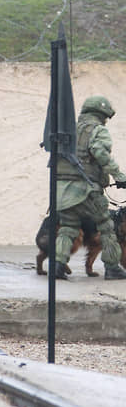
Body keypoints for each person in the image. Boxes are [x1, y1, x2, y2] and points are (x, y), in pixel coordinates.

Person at [55, 95, 126, 280]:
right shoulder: (98, 130)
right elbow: (100, 152)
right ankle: (112, 268)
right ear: (101, 114)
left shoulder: (68, 130)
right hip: (87, 190)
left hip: (63, 190)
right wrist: (119, 176)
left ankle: (58, 265)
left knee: (68, 228)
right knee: (106, 227)